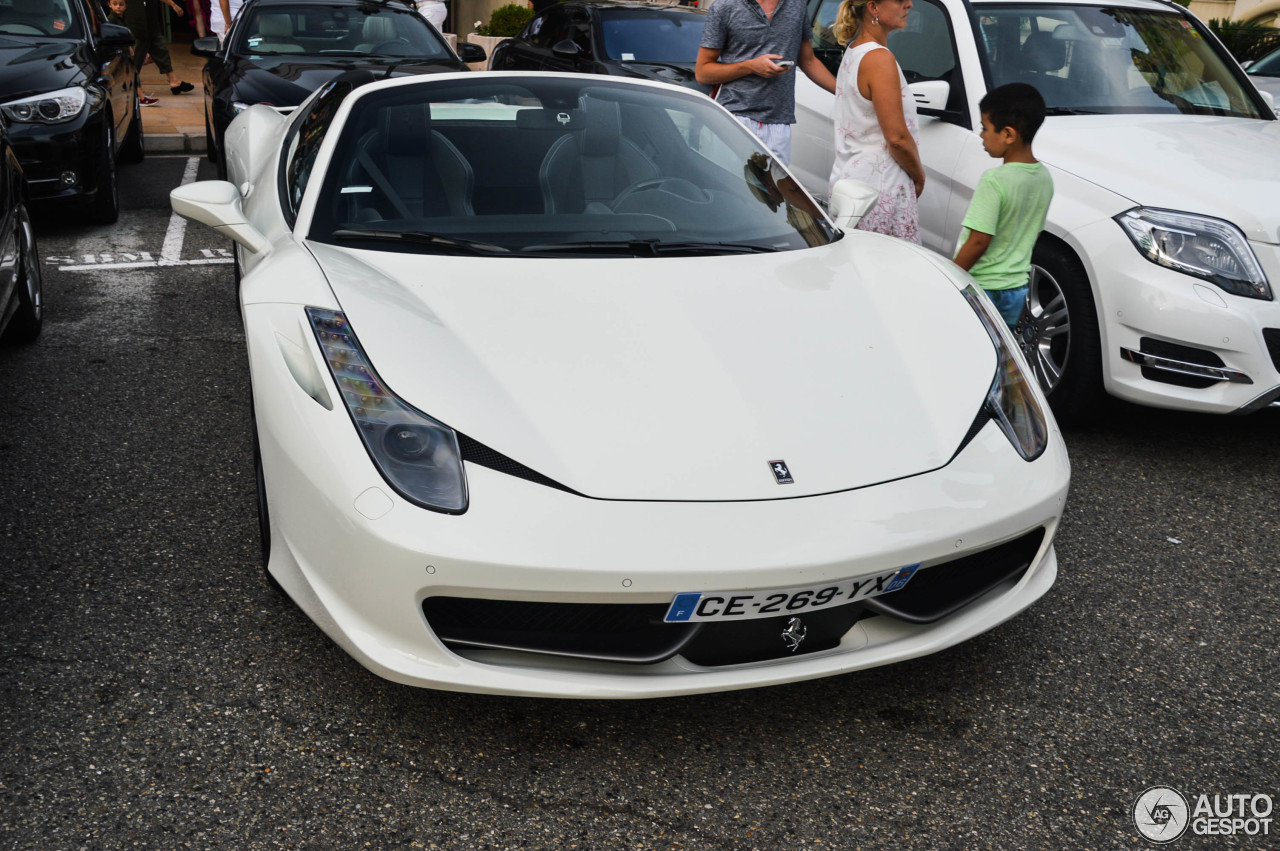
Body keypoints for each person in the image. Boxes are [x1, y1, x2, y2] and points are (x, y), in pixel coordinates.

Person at [953, 83, 1054, 330]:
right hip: (1016, 289)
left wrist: (951, 275)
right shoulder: (1044, 177)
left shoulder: (994, 180)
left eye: (985, 128)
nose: (981, 135)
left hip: (983, 287)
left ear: (1008, 134)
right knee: (999, 349)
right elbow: (1035, 232)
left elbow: (979, 240)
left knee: (970, 346)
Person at [826, 0, 925, 243]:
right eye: (900, 0)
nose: (909, 5)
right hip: (879, 190)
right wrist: (919, 175)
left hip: (852, 183)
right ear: (873, 7)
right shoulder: (879, 59)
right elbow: (897, 138)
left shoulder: (855, 50)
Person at [694, 0, 836, 165]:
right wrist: (751, 66)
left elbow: (808, 60)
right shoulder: (725, 6)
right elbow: (703, 72)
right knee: (729, 189)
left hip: (779, 124)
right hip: (735, 118)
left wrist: (846, 93)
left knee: (772, 190)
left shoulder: (797, 5)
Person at [123, 0, 196, 95]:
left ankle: (173, 80)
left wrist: (173, 5)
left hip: (149, 17)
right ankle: (130, 81)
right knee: (139, 49)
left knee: (159, 48)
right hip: (135, 17)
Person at [107, 0, 160, 105]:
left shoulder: (123, 18)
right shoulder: (112, 19)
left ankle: (140, 97)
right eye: (115, 4)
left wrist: (129, 47)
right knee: (127, 74)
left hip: (122, 51)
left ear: (126, 6)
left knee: (131, 73)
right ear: (110, 5)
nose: (118, 7)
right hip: (117, 52)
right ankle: (140, 98)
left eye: (121, 5)